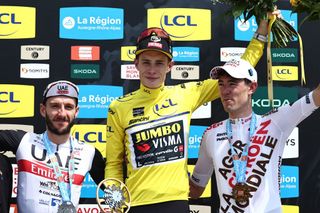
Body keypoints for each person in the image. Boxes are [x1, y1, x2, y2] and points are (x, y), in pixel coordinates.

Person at [104, 14, 275, 211]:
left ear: (170, 66)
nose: (152, 69)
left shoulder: (185, 94)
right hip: (136, 203)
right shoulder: (119, 106)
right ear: (136, 64)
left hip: (177, 202)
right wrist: (114, 205)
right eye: (146, 62)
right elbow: (114, 164)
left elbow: (240, 69)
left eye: (159, 63)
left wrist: (261, 34)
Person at [189, 59, 320, 212]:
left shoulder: (275, 122)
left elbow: (317, 96)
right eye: (221, 84)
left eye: (232, 84)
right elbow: (195, 190)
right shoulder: (211, 134)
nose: (225, 91)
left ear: (252, 87)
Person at [0, 80, 105, 213]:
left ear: (76, 112)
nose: (61, 113)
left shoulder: (89, 152)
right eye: (55, 106)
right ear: (43, 110)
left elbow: (117, 190)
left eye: (68, 107)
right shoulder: (24, 141)